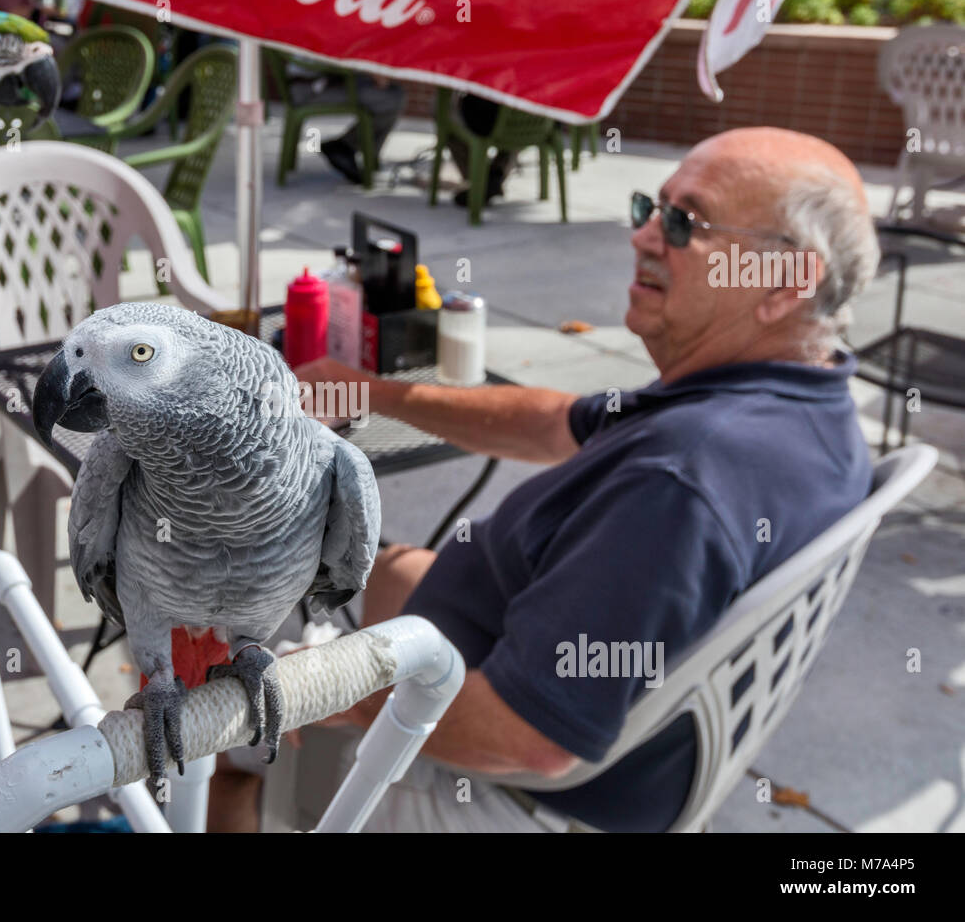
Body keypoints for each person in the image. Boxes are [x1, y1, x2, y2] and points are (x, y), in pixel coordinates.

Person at [207, 127, 880, 832]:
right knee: (359, 557)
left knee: (216, 638)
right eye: (650, 207)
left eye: (684, 224)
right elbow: (555, 420)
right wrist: (372, 392)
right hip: (547, 676)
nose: (644, 237)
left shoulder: (682, 476)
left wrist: (326, 680)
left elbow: (524, 735)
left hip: (491, 783)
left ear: (782, 283)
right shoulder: (803, 402)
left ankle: (229, 790)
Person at [284, 59, 405, 184]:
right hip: (312, 87)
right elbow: (343, 55)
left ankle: (348, 149)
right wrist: (374, 71)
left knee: (393, 93)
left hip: (327, 79)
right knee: (391, 98)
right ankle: (346, 147)